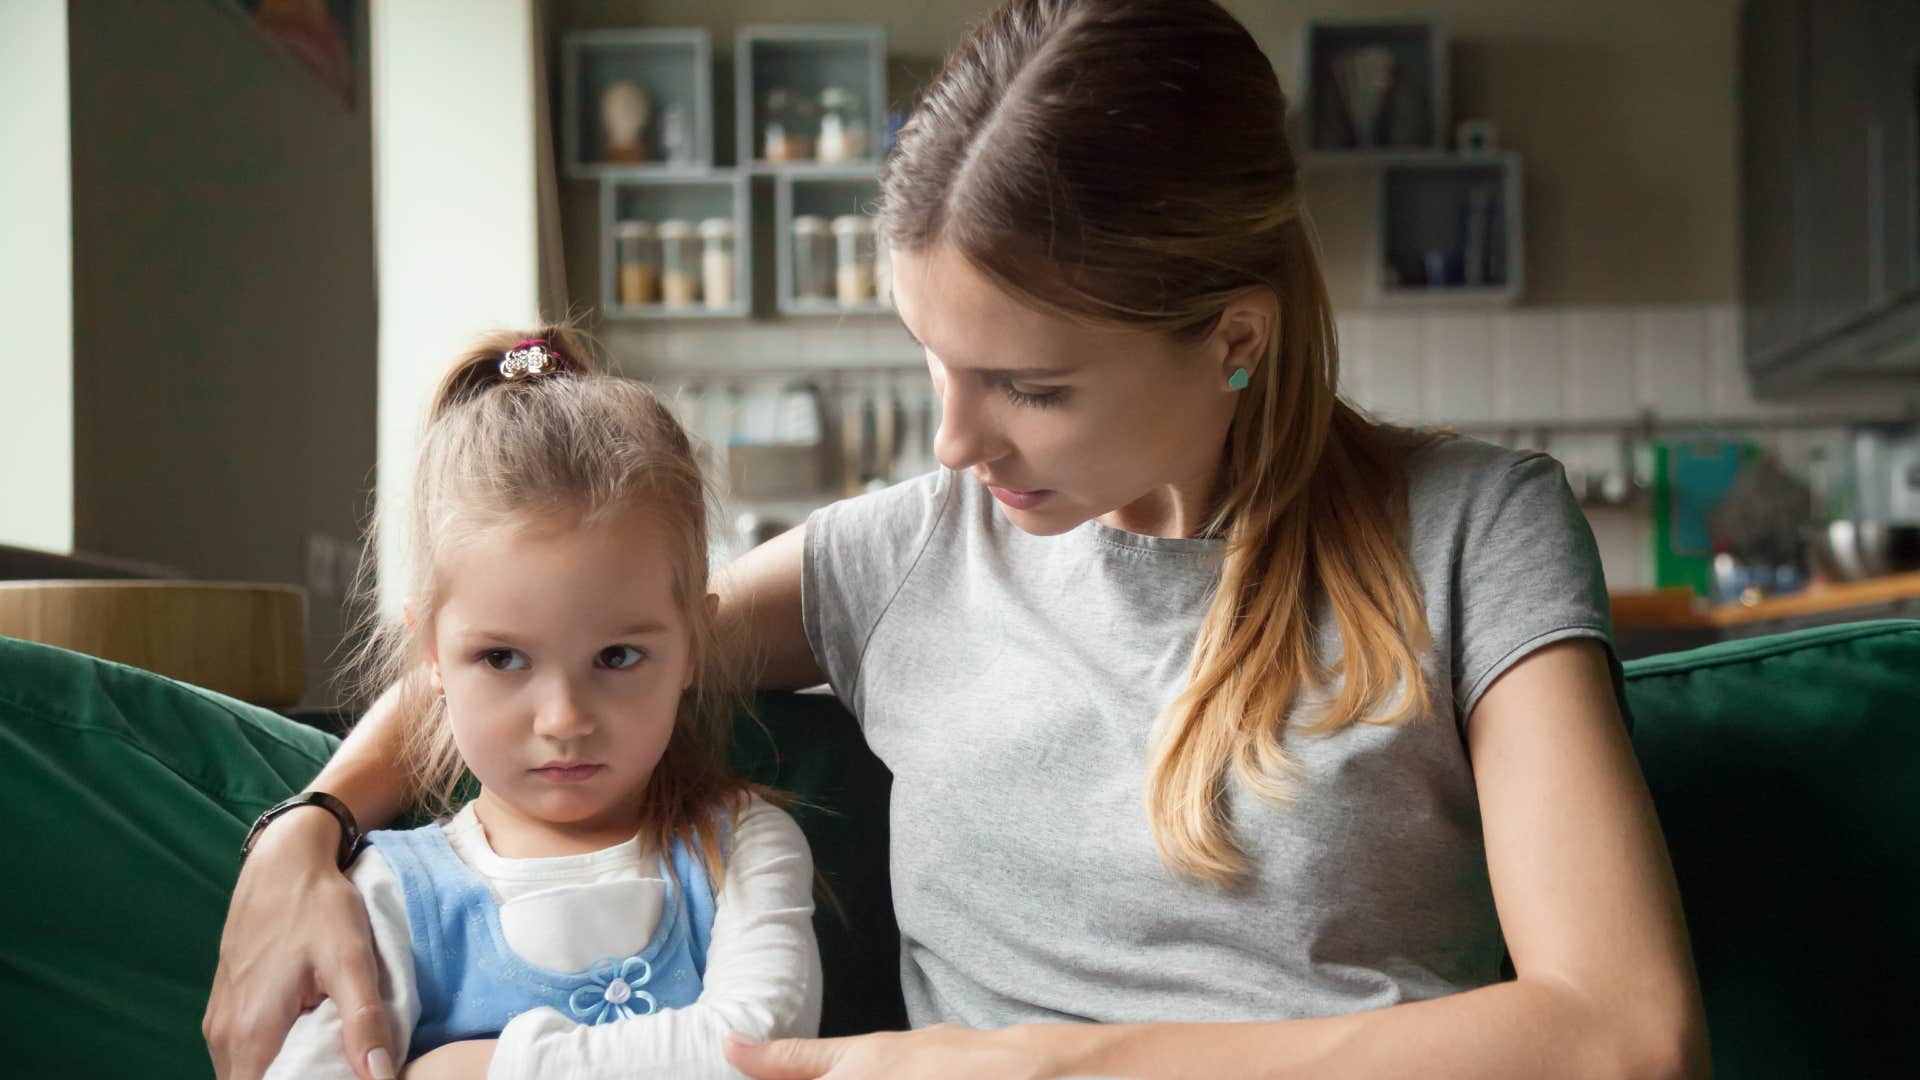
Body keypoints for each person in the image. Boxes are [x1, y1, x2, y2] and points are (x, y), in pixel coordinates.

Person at [206, 1, 1708, 1077]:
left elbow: (1626, 1036)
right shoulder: (906, 556)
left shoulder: (1472, 531)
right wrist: (309, 828)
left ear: (1233, 341)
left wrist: (1067, 1065)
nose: (954, 443)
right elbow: (556, 647)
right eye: (938, 363)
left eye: (1032, 389)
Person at [250, 331, 820, 1079]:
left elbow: (759, 1055)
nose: (564, 719)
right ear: (431, 656)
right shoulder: (389, 891)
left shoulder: (744, 848)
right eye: (502, 658)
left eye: (617, 657)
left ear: (692, 648)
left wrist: (465, 1072)